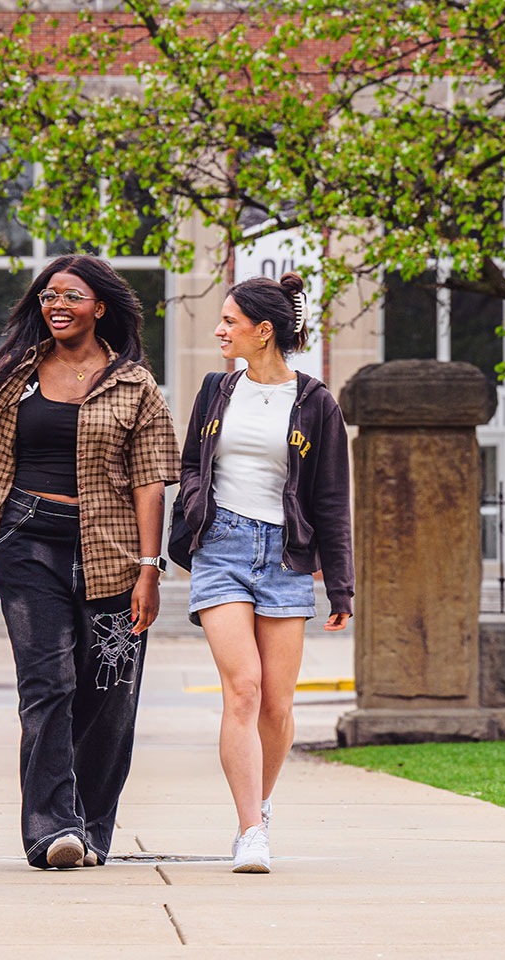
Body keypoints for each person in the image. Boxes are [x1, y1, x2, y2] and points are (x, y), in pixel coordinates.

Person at [0, 254, 179, 869]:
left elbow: (151, 482)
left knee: (110, 692)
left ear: (99, 307)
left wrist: (150, 569)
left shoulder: (136, 386)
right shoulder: (16, 375)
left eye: (72, 295)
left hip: (114, 550)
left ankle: (94, 824)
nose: (56, 305)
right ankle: (51, 829)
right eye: (48, 295)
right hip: (27, 541)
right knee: (46, 687)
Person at [168, 272, 353, 874]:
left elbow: (330, 497)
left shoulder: (316, 401)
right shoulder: (216, 391)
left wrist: (341, 583)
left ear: (263, 331)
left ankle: (262, 805)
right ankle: (251, 830)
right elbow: (193, 464)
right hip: (221, 547)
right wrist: (192, 515)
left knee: (276, 703)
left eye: (230, 322)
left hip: (286, 557)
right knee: (243, 687)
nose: (220, 330)